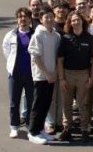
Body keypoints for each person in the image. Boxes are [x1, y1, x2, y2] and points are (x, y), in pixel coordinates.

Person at [56, 11, 93, 142]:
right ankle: (67, 129)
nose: (76, 22)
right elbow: (60, 60)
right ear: (70, 23)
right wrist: (61, 79)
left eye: (78, 20)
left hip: (84, 74)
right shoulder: (65, 38)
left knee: (84, 104)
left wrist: (91, 77)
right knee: (66, 103)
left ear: (82, 21)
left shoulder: (90, 39)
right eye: (73, 20)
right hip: (68, 74)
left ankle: (84, 129)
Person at [27, 10, 61, 145]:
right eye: (46, 17)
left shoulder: (56, 35)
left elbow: (58, 56)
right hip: (41, 76)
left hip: (52, 76)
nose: (49, 19)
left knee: (46, 104)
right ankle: (32, 132)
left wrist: (54, 73)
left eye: (51, 17)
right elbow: (35, 57)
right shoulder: (38, 35)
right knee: (38, 104)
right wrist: (46, 73)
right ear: (41, 19)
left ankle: (40, 130)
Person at [3, 7, 34, 139]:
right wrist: (12, 64)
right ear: (17, 19)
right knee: (14, 102)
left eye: (25, 16)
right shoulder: (10, 35)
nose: (23, 19)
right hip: (15, 74)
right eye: (20, 17)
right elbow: (6, 50)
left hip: (31, 74)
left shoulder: (34, 34)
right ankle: (14, 127)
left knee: (31, 101)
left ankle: (29, 126)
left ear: (30, 19)